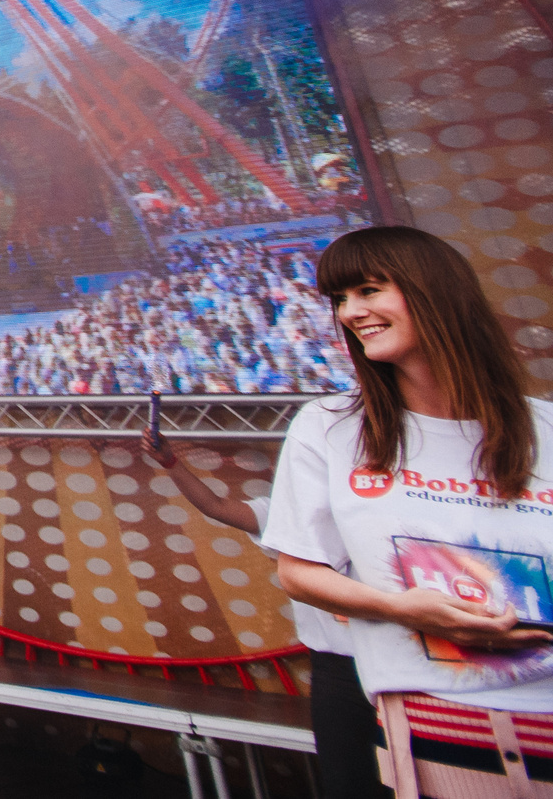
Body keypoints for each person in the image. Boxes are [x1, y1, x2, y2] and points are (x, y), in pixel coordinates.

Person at [264, 225, 553, 799]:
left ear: (435, 292)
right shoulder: (330, 428)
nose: (352, 312)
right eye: (341, 299)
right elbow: (297, 571)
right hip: (437, 724)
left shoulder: (544, 425)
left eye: (369, 290)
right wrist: (401, 608)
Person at [139, 417, 366, 789]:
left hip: (393, 662)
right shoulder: (284, 512)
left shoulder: (380, 515)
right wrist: (171, 463)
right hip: (337, 671)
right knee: (348, 782)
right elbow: (215, 506)